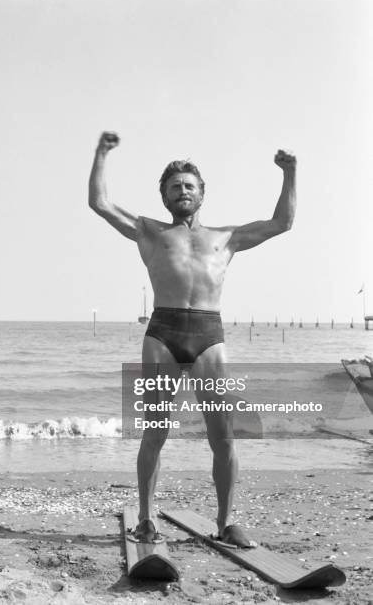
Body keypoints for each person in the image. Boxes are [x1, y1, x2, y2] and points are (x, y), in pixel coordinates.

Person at [89, 132, 296, 546]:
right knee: (156, 430)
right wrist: (102, 153)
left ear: (202, 194)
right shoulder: (149, 231)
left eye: (189, 186)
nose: (182, 191)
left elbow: (282, 223)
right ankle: (146, 520)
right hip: (163, 332)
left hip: (208, 334)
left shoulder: (227, 237)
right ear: (164, 197)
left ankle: (225, 523)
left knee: (223, 436)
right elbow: (100, 203)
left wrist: (290, 173)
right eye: (174, 187)